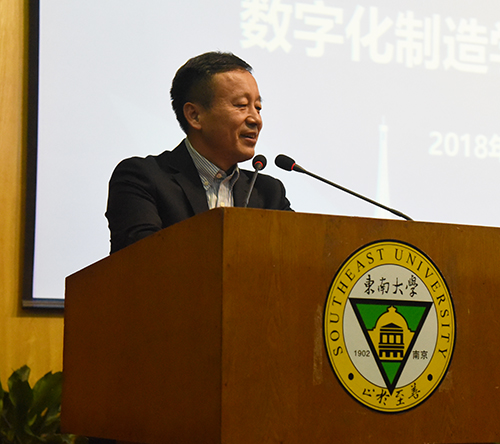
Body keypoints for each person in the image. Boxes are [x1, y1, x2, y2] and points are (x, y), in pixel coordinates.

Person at [105, 51, 292, 253]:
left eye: (258, 107)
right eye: (241, 105)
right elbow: (143, 258)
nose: (256, 119)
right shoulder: (142, 178)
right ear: (194, 116)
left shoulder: (268, 193)